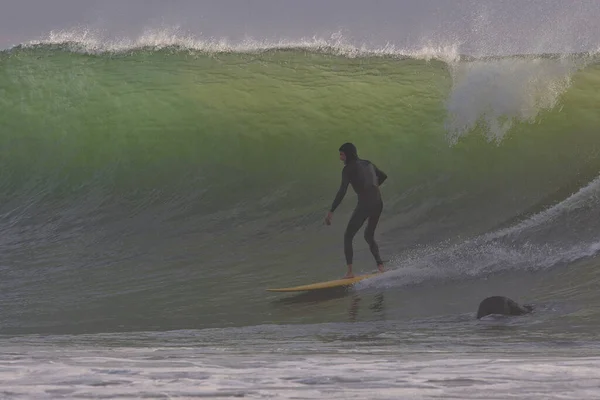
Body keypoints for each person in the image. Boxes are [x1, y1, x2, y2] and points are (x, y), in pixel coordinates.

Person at [325, 143, 387, 278]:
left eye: (342, 155)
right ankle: (381, 266)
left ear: (348, 154)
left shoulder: (348, 169)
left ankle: (350, 272)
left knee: (348, 236)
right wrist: (374, 188)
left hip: (365, 205)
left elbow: (342, 190)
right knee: (368, 235)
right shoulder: (367, 163)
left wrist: (331, 211)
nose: (341, 158)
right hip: (378, 203)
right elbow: (383, 176)